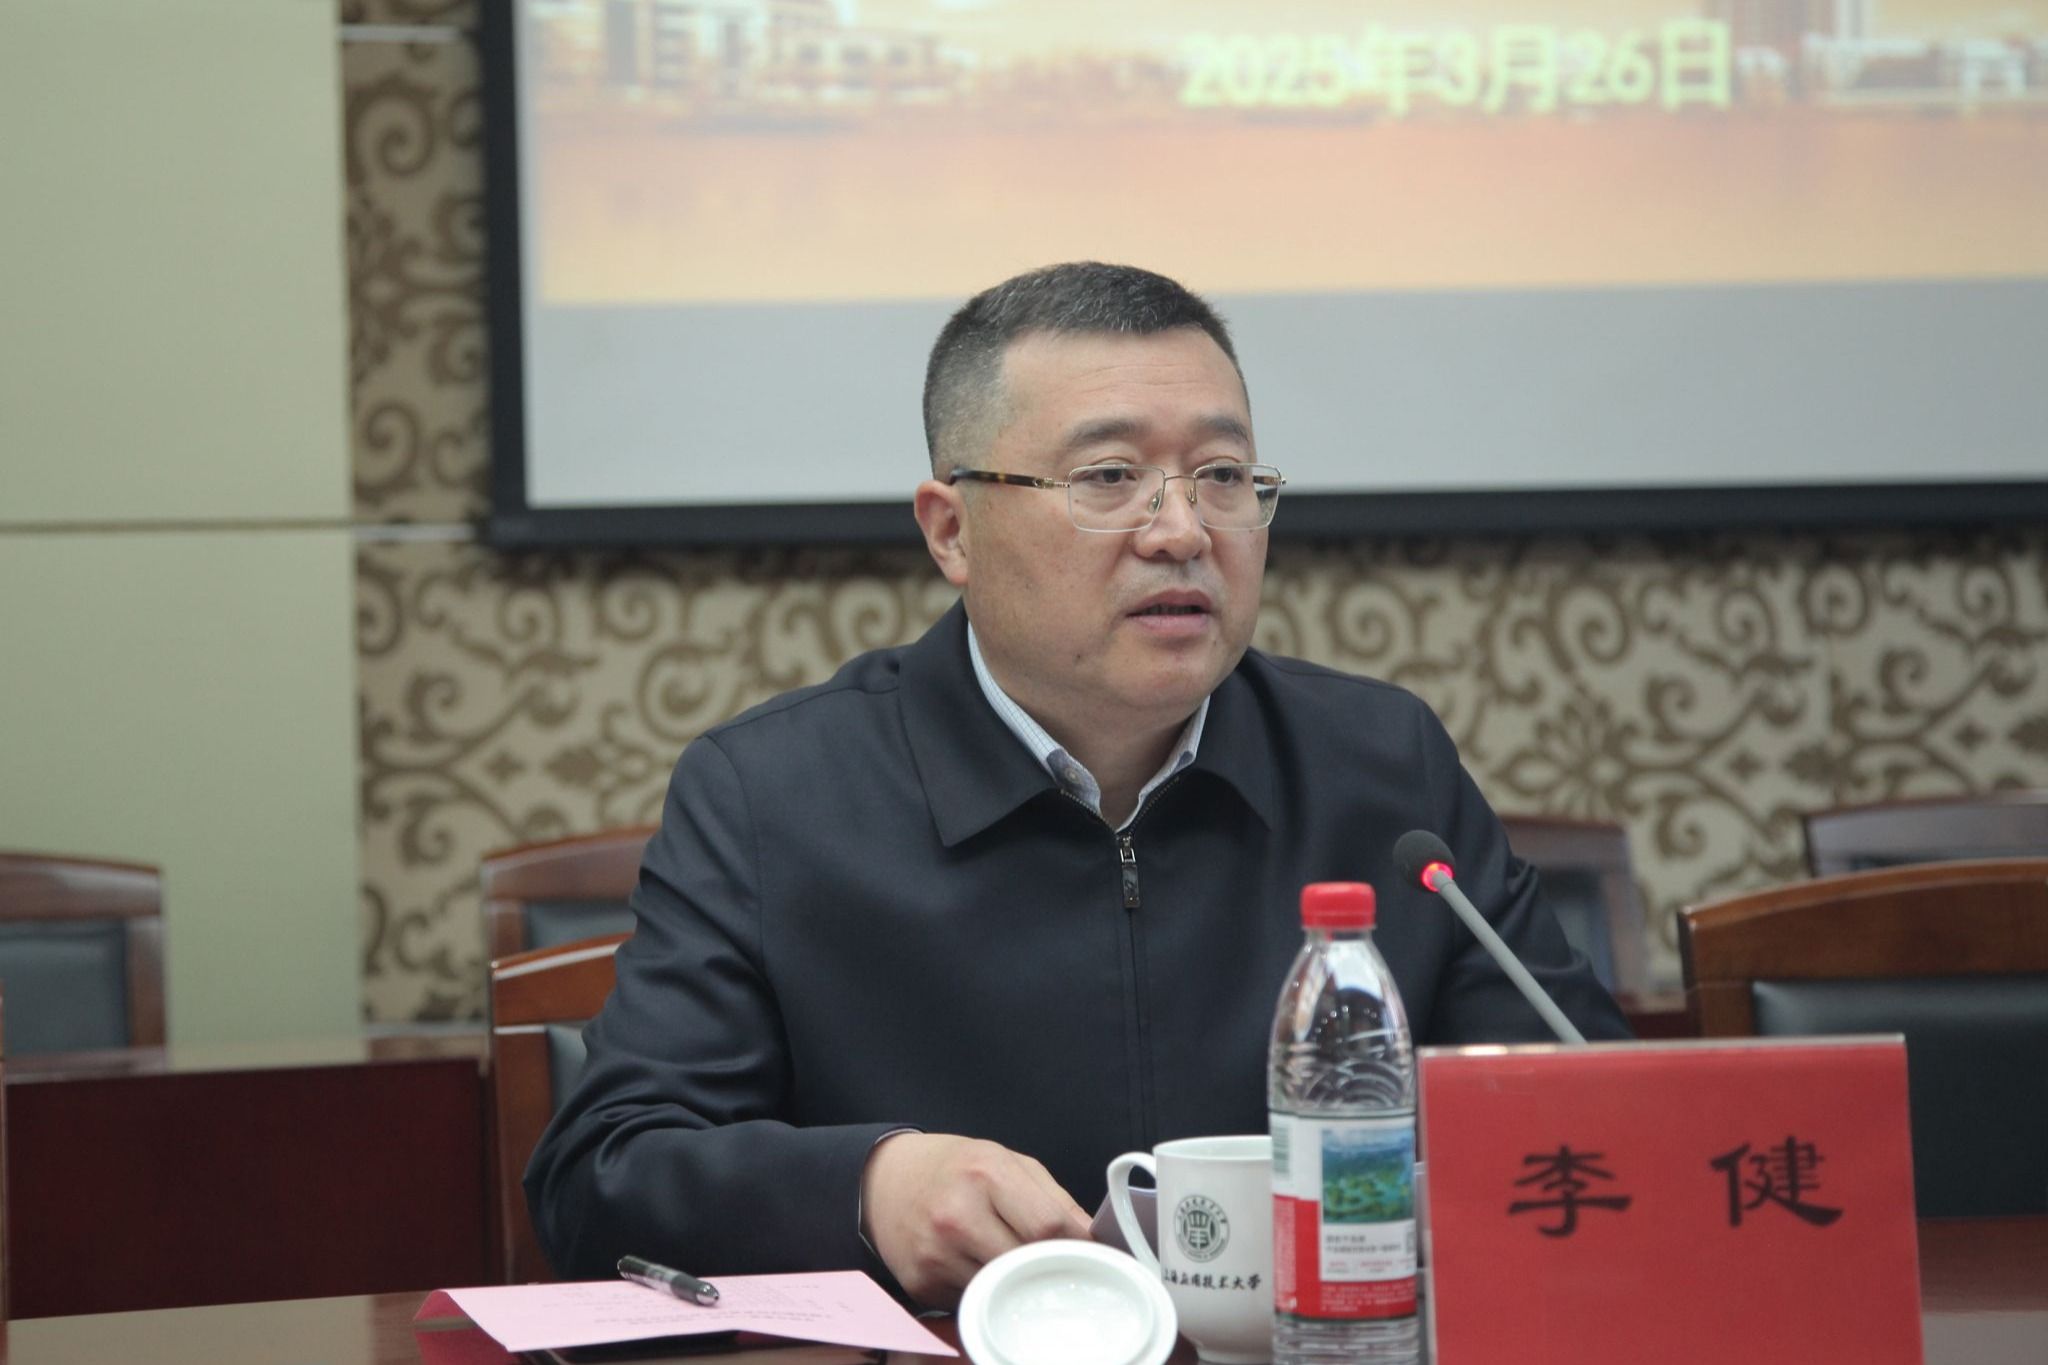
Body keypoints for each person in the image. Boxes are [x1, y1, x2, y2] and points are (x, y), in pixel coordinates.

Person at [527, 262, 1630, 1307]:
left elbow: (1593, 1125)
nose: (1182, 531)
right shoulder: (775, 795)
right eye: (1109, 478)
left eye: (1222, 476)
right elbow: (602, 1178)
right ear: (951, 530)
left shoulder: (1380, 764)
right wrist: (868, 1189)